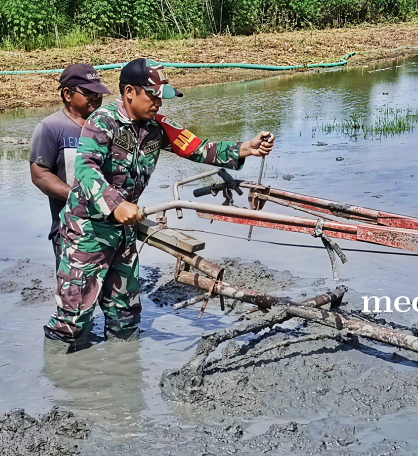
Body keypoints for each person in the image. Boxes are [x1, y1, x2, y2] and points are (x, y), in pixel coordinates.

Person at [43, 58, 275, 354]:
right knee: (73, 318)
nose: (158, 103)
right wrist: (116, 204)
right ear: (129, 92)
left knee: (126, 315)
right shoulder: (103, 122)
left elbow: (199, 148)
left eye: (161, 97)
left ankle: (123, 372)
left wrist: (245, 148)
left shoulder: (158, 127)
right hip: (88, 232)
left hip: (124, 233)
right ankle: (60, 375)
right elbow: (86, 168)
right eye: (152, 96)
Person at [30, 64, 110, 268]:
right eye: (89, 93)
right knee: (75, 288)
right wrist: (81, 196)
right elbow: (40, 174)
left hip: (110, 227)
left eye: (98, 93)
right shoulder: (51, 128)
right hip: (72, 229)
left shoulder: (107, 126)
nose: (96, 98)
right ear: (67, 94)